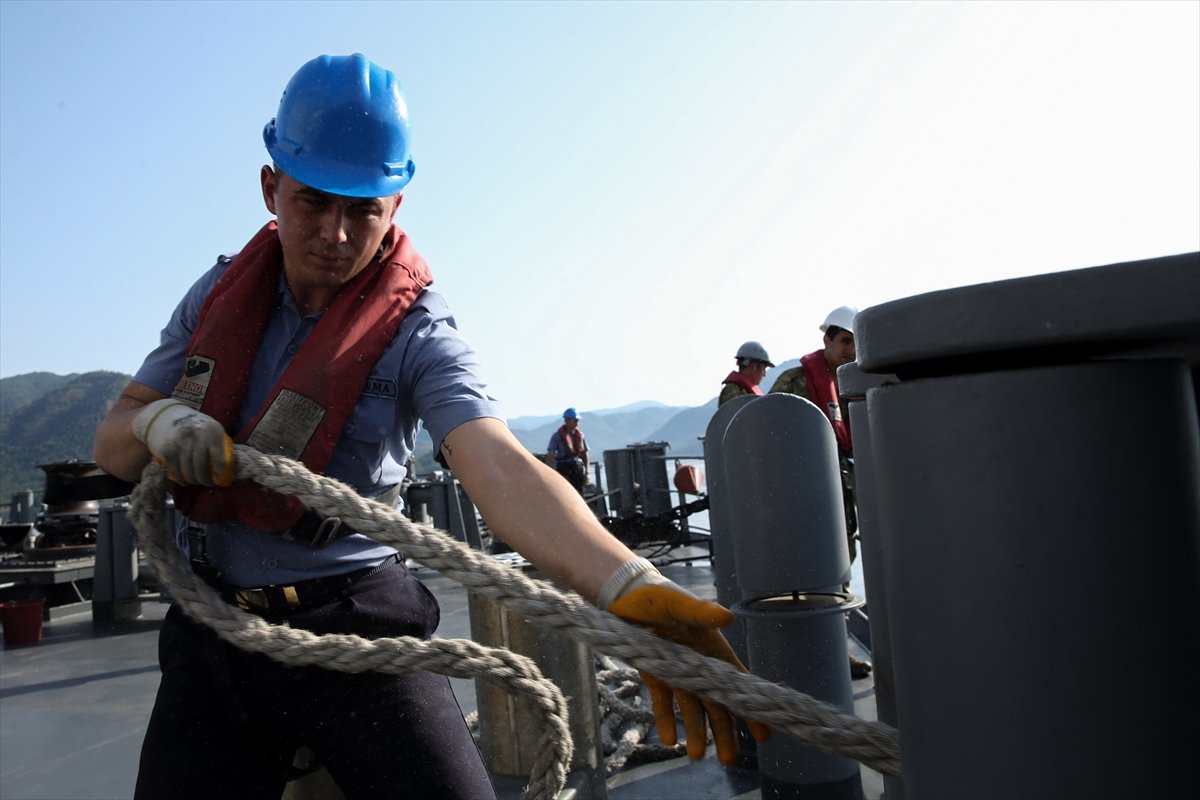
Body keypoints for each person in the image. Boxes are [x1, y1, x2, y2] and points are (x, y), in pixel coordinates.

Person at [93, 53, 766, 800]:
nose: (337, 234)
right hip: (212, 624)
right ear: (269, 188)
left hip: (356, 621)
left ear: (395, 207)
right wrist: (156, 421)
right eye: (314, 202)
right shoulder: (215, 293)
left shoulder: (418, 332)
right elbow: (113, 440)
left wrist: (628, 585)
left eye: (363, 210)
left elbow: (500, 467)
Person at [769, 305, 872, 679]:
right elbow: (771, 439)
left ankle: (834, 650)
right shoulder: (795, 382)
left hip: (841, 495)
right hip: (804, 498)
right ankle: (810, 653)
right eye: (845, 341)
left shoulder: (853, 384)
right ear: (826, 339)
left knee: (839, 569)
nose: (850, 350)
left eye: (856, 343)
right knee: (805, 572)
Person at [545, 406, 589, 494]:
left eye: (577, 420)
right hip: (563, 467)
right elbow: (551, 454)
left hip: (577, 467)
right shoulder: (557, 436)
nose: (577, 423)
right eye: (575, 420)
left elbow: (585, 454)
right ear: (568, 421)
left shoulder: (580, 435)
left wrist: (587, 472)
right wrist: (550, 473)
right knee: (566, 491)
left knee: (579, 492)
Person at [718, 341, 774, 406]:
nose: (764, 374)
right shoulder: (732, 391)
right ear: (754, 367)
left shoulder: (742, 391)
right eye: (764, 369)